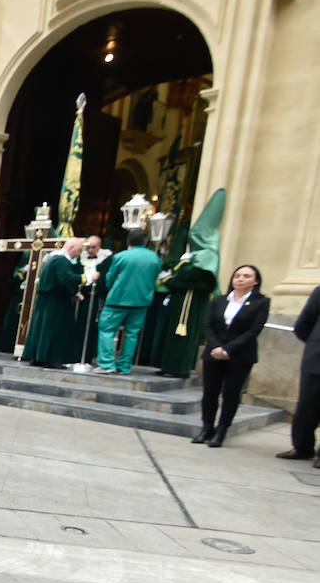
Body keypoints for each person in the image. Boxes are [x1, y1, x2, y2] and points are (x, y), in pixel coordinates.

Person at [192, 264, 270, 447]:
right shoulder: (219, 300)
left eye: (246, 276)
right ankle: (207, 427)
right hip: (213, 353)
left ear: (255, 281)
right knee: (210, 391)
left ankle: (222, 430)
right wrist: (217, 347)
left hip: (240, 355)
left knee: (231, 393)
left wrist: (228, 350)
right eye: (237, 275)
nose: (240, 279)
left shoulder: (261, 302)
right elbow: (208, 325)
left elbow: (254, 330)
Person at [156, 189, 225, 378]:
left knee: (184, 334)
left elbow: (189, 276)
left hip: (191, 302)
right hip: (180, 299)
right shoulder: (192, 256)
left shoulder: (208, 255)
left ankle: (179, 368)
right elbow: (177, 276)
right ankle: (168, 365)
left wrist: (181, 273)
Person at [91, 229, 158, 374]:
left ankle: (107, 363)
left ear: (128, 241)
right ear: (146, 241)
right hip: (141, 301)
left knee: (107, 330)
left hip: (118, 299)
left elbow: (110, 278)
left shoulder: (121, 256)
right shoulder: (154, 257)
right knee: (132, 334)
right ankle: (124, 365)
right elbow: (154, 278)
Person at [21, 237, 88, 368]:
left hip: (47, 300)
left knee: (42, 328)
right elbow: (65, 278)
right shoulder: (61, 260)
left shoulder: (53, 259)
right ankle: (52, 359)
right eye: (79, 250)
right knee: (54, 329)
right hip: (55, 302)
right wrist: (86, 277)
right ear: (71, 247)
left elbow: (58, 281)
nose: (79, 254)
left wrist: (73, 293)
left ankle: (38, 357)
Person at [276, 283, 320, 466]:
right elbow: (303, 324)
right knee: (307, 404)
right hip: (316, 358)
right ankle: (302, 448)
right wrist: (314, 344)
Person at [73, 233, 112, 364]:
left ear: (99, 247)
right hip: (80, 298)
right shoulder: (80, 258)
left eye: (93, 247)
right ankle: (74, 354)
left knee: (91, 327)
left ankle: (87, 356)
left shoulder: (106, 259)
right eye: (88, 247)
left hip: (95, 299)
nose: (90, 250)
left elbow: (105, 279)